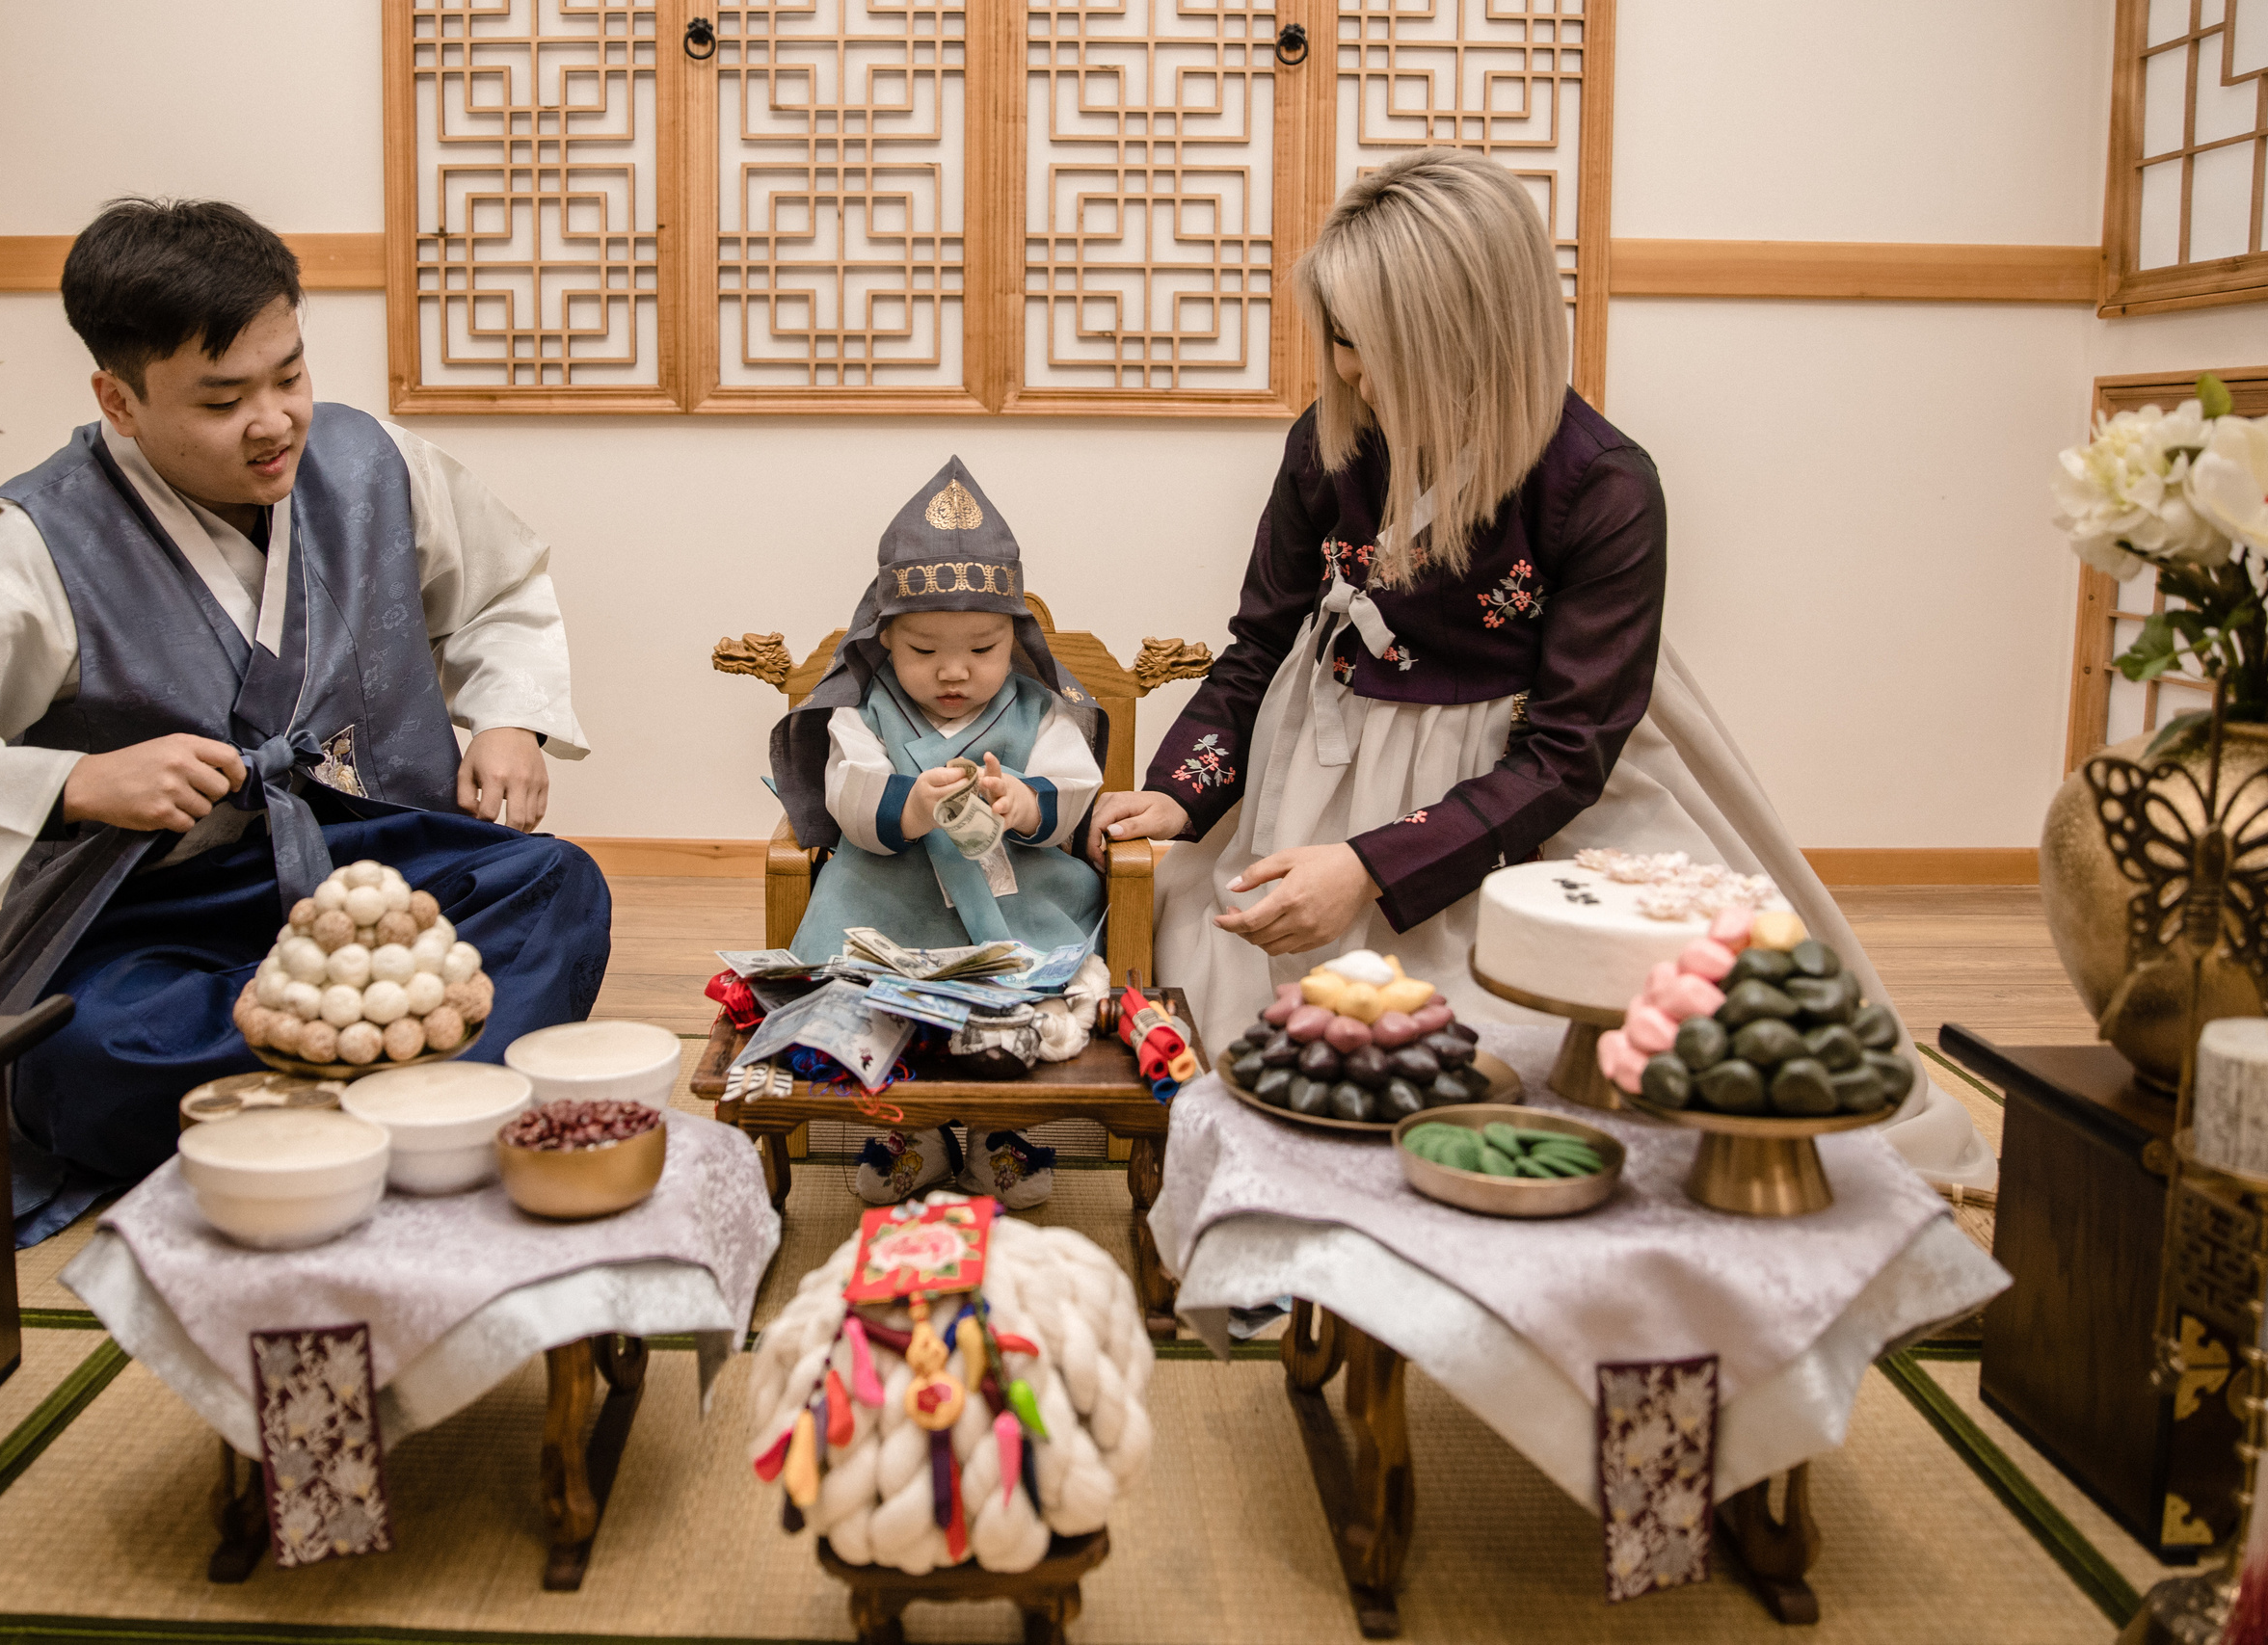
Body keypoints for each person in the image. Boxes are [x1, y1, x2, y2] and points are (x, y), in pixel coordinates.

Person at [1087, 150, 1993, 1190]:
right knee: (1240, 1002)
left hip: (1524, 791)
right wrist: (1176, 790)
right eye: (1335, 339)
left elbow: (1569, 750)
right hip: (1323, 753)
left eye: (1365, 345)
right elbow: (1261, 642)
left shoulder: (1602, 486)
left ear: (1463, 338)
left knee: (1602, 1048)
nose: (1341, 371)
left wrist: (1373, 867)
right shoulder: (1329, 445)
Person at [0, 199, 615, 1242]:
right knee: (82, 1050)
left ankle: (290, 1112)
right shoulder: (28, 542)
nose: (274, 420)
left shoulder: (370, 462)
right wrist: (73, 785)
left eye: (289, 374)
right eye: (222, 399)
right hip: (152, 912)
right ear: (117, 399)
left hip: (370, 867)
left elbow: (498, 591)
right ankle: (409, 1098)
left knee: (555, 889)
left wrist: (507, 723)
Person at [770, 458, 1106, 1206]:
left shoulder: (1037, 707)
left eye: (983, 649)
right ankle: (909, 1133)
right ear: (885, 638)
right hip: (890, 898)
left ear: (1014, 639)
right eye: (924, 650)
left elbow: (1076, 782)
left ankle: (998, 1130)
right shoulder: (863, 710)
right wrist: (912, 805)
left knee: (1016, 1016)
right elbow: (849, 787)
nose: (954, 671)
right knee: (888, 1018)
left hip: (1014, 897)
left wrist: (1024, 800)